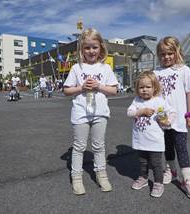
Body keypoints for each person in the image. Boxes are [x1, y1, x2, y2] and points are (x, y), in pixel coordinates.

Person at [63, 28, 118, 195]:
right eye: (87, 47)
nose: (91, 51)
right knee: (79, 146)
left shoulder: (106, 68)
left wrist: (99, 86)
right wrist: (81, 87)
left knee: (98, 146)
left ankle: (101, 175)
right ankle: (77, 177)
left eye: (94, 47)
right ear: (81, 49)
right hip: (81, 113)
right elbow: (66, 90)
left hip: (100, 113)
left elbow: (114, 90)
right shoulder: (76, 68)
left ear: (100, 47)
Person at [154, 36, 190, 199]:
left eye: (170, 53)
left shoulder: (183, 70)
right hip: (162, 120)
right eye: (163, 54)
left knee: (181, 148)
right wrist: (159, 117)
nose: (166, 57)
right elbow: (154, 98)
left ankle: (187, 179)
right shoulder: (156, 73)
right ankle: (171, 170)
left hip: (180, 120)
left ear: (177, 52)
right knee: (166, 148)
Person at [127, 71, 176, 198]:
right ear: (137, 89)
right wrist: (141, 111)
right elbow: (129, 113)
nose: (144, 90)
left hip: (155, 141)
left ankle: (159, 183)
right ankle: (143, 178)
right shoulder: (137, 101)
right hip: (140, 140)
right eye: (141, 87)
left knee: (156, 164)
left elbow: (172, 112)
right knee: (142, 162)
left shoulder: (159, 101)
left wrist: (167, 121)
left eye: (148, 87)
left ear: (154, 87)